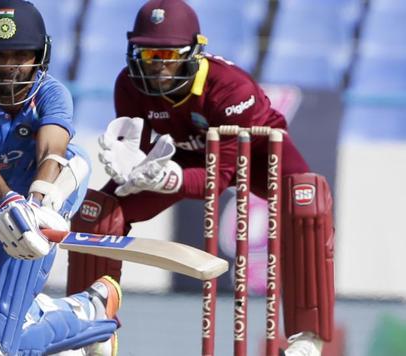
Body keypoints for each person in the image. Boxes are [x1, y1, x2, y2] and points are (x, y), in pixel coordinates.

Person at [66, 1, 334, 355]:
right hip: (179, 153)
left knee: (307, 200)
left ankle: (306, 337)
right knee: (96, 212)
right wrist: (132, 167)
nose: (158, 66)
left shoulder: (229, 87)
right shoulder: (129, 84)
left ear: (194, 53)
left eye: (168, 55)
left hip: (254, 152)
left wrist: (168, 179)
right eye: (148, 56)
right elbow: (141, 150)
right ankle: (90, 326)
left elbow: (218, 179)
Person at [0, 1, 121, 355]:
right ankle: (88, 312)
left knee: (73, 161)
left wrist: (36, 205)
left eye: (19, 55)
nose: (8, 67)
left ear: (40, 56)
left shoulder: (51, 94)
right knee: (11, 332)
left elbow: (52, 149)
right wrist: (9, 204)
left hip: (47, 196)